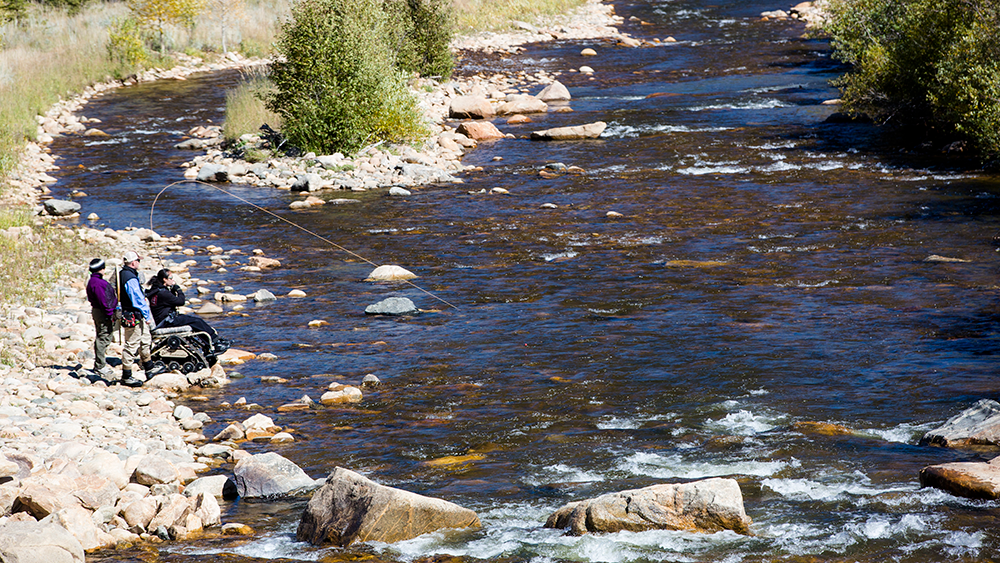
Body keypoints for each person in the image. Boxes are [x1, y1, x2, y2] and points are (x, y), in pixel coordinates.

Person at [146, 269, 230, 353]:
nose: (173, 280)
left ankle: (209, 343)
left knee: (193, 321)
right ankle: (215, 342)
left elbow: (169, 301)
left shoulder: (155, 290)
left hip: (162, 319)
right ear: (165, 279)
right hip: (166, 321)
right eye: (171, 278)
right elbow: (181, 301)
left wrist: (171, 290)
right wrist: (178, 289)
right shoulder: (163, 293)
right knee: (197, 321)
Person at [118, 251, 166, 387]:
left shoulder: (124, 274)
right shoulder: (130, 278)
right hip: (134, 315)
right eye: (138, 261)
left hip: (134, 314)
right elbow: (137, 299)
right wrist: (147, 315)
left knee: (145, 340)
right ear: (133, 263)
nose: (139, 263)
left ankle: (149, 368)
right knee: (131, 345)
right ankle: (126, 376)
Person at [85, 258, 118, 379]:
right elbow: (103, 301)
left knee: (103, 335)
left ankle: (100, 363)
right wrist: (110, 313)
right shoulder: (98, 283)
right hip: (102, 312)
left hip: (98, 311)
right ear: (102, 269)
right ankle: (100, 365)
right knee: (103, 336)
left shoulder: (93, 281)